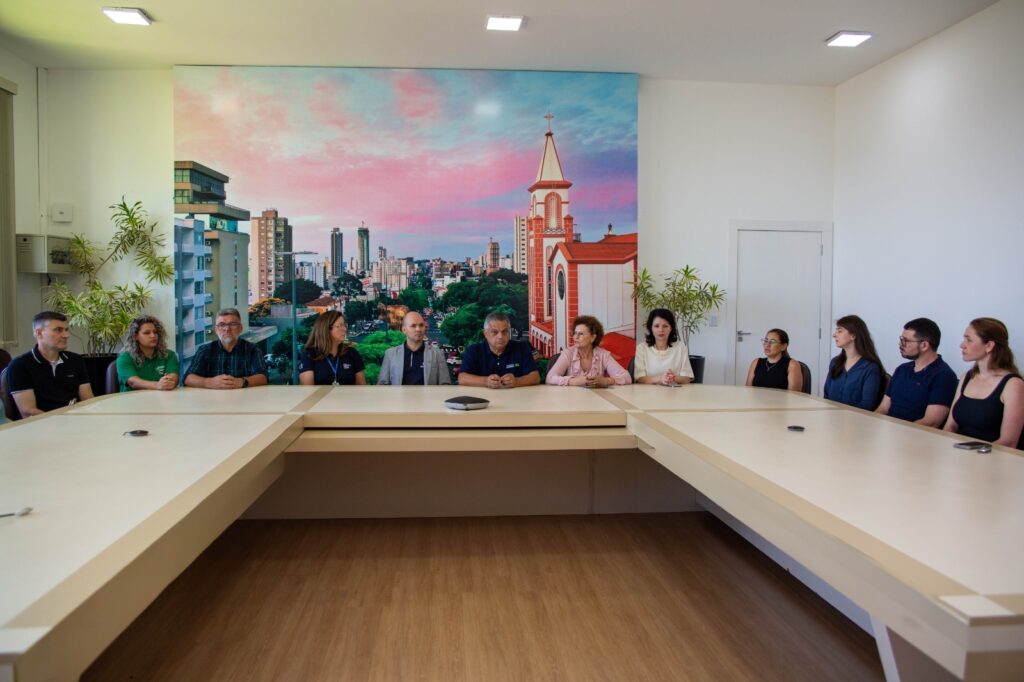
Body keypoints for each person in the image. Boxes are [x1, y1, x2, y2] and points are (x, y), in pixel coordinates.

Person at [944, 318, 1023, 449]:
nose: (962, 345)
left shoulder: (1013, 384)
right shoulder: (966, 377)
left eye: (969, 340)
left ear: (989, 346)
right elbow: (950, 426)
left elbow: (1008, 441)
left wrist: (970, 454)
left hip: (990, 457)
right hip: (959, 454)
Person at [6, 311, 94, 416]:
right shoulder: (20, 365)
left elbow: (88, 400)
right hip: (41, 423)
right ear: (39, 333)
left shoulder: (75, 360)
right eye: (58, 330)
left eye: (66, 330)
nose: (66, 335)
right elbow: (28, 412)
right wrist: (62, 421)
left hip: (76, 420)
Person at [876, 318, 957, 427]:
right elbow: (883, 408)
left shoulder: (943, 376)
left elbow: (931, 422)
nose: (900, 344)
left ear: (924, 345)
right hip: (887, 429)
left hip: (913, 434)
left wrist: (897, 431)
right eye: (901, 339)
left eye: (906, 340)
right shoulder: (901, 369)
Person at [184, 308, 269, 389]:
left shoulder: (253, 350)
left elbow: (263, 377)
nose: (227, 329)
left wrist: (242, 382)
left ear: (240, 328)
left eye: (232, 324)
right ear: (216, 330)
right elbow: (188, 378)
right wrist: (209, 382)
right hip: (212, 398)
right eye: (222, 325)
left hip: (244, 397)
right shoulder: (205, 350)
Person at [458, 311, 539, 388]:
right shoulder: (474, 350)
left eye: (504, 332)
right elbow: (462, 378)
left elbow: (535, 377)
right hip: (482, 396)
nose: (500, 336)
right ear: (485, 333)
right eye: (494, 332)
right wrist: (486, 381)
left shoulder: (522, 348)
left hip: (515, 396)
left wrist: (516, 381)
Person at [546, 315, 632, 387]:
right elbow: (550, 378)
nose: (576, 337)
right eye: (575, 333)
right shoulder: (568, 353)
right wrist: (573, 381)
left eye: (581, 334)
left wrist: (607, 381)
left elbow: (627, 377)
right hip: (570, 399)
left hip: (596, 399)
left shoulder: (603, 354)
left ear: (592, 337)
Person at [823, 315, 884, 410]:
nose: (834, 335)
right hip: (832, 414)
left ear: (853, 335)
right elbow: (827, 395)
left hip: (856, 417)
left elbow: (867, 404)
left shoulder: (870, 367)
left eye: (840, 331)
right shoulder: (835, 362)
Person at [377, 311, 451, 385]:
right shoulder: (390, 354)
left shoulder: (437, 354)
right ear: (404, 330)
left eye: (421, 325)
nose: (418, 329)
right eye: (413, 326)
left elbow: (445, 385)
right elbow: (382, 385)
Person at [298, 311, 366, 385]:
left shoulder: (352, 353)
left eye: (344, 325)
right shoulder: (309, 355)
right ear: (326, 328)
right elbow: (308, 389)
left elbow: (361, 387)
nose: (344, 329)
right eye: (339, 325)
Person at [116, 315, 179, 391]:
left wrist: (170, 381)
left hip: (161, 397)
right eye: (147, 333)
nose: (153, 335)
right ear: (135, 336)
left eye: (155, 332)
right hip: (133, 398)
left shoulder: (169, 355)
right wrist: (157, 385)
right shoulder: (125, 357)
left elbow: (174, 377)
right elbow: (133, 382)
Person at [633, 308, 694, 386]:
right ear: (651, 328)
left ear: (671, 328)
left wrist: (674, 378)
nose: (661, 330)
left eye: (665, 326)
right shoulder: (642, 348)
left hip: (675, 391)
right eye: (656, 326)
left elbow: (687, 378)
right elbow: (639, 378)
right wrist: (660, 378)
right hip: (649, 392)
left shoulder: (680, 347)